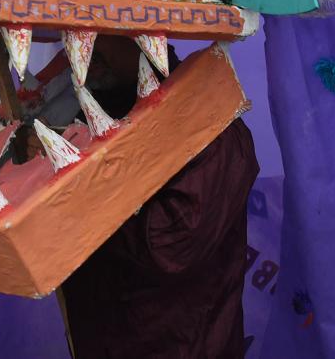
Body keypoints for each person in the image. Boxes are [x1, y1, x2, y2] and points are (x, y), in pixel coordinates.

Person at [58, 35, 257, 357]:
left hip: (179, 347)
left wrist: (66, 200)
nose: (79, 46)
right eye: (69, 33)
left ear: (144, 33)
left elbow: (170, 247)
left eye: (97, 32)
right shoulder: (97, 107)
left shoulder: (212, 124)